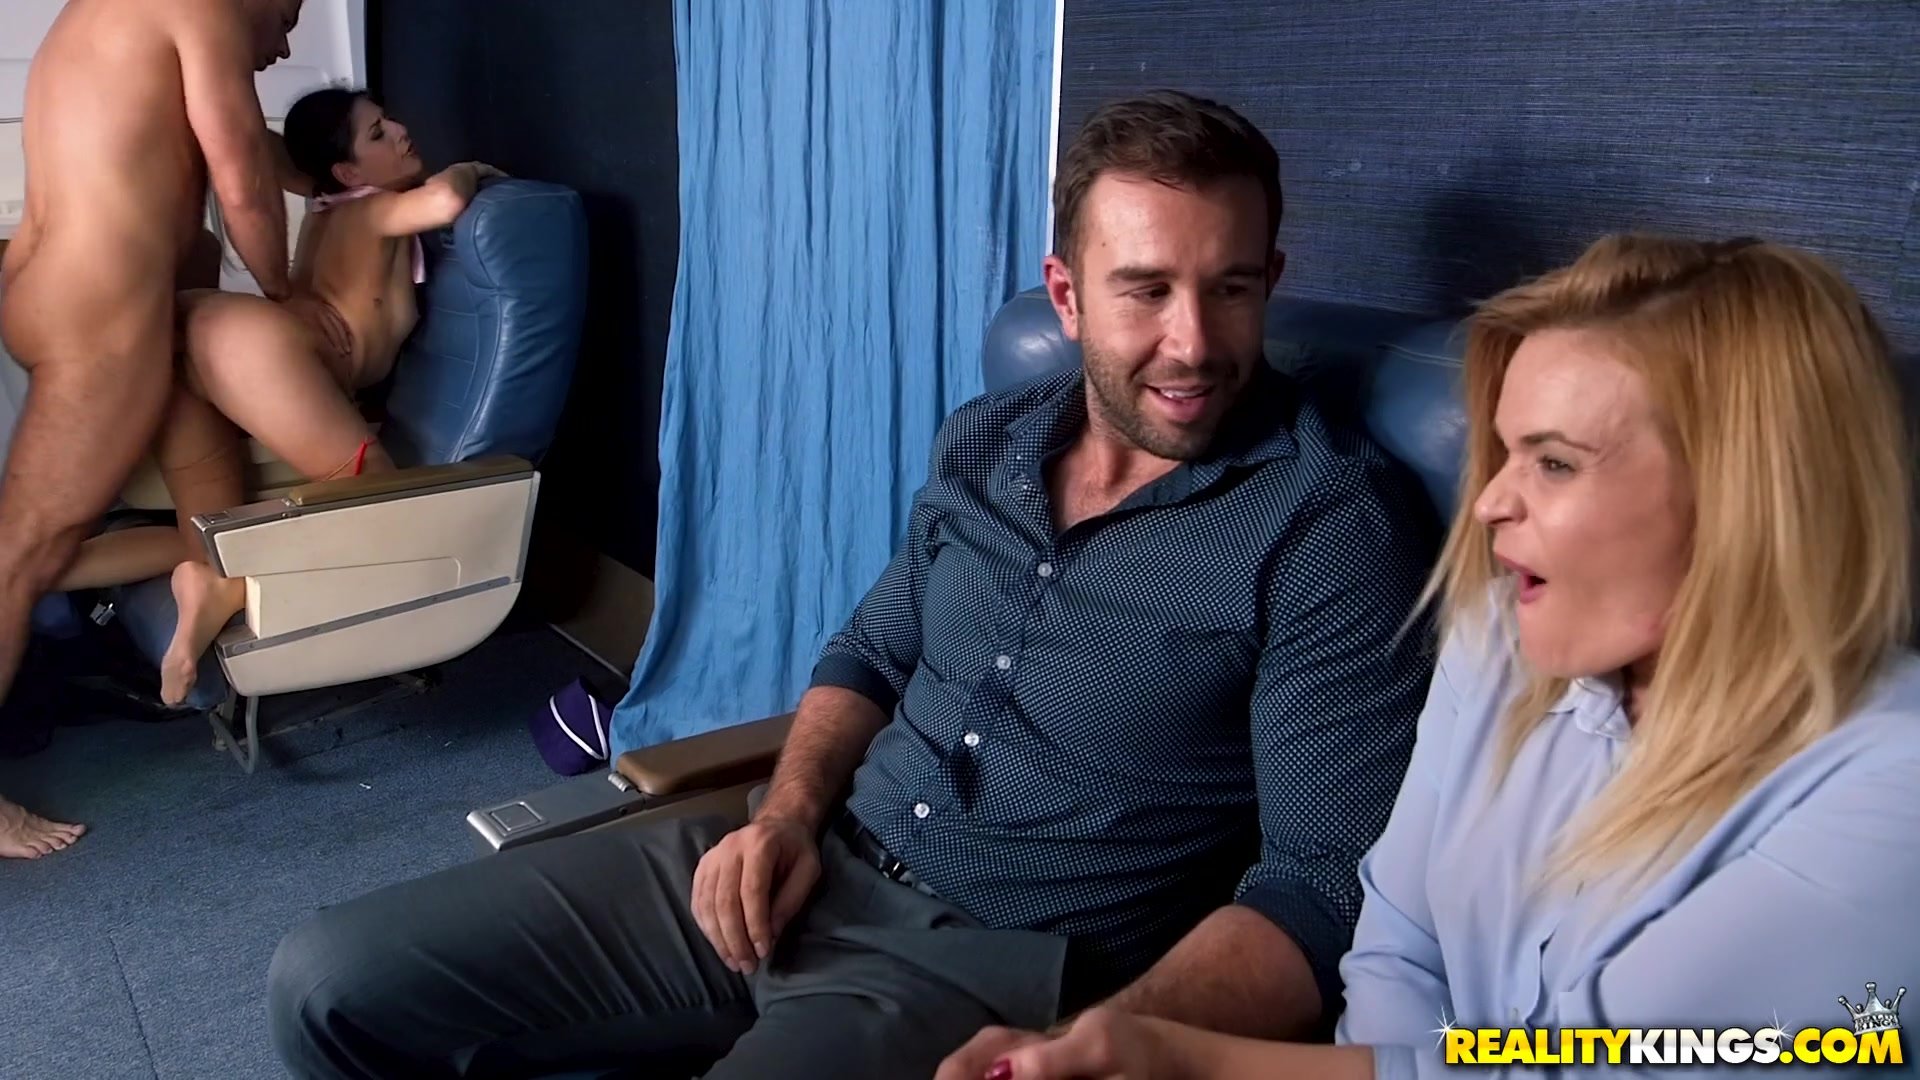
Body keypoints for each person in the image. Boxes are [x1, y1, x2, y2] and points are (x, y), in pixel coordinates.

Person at [263, 90, 1439, 1078]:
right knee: (327, 980)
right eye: (1145, 290)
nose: (1192, 344)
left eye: (1231, 289)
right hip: (799, 856)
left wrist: (1120, 1039)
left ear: (1271, 278)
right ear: (1067, 295)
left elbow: (1319, 887)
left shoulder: (1327, 528)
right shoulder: (990, 440)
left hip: (989, 967)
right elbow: (870, 652)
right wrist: (782, 816)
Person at [934, 233, 1920, 1080]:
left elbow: (1586, 1063)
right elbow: (1396, 947)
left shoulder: (1892, 785)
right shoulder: (1498, 635)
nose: (1488, 503)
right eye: (1503, 454)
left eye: (1555, 462)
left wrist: (1184, 1056)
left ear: (1747, 498)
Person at [48, 86, 505, 707]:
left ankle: (40, 567)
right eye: (378, 133)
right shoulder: (371, 209)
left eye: (389, 121)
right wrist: (472, 167)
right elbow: (447, 200)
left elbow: (268, 153)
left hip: (208, 338)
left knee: (208, 536)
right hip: (248, 345)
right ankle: (224, 590)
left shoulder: (325, 207)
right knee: (381, 500)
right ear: (348, 172)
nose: (400, 131)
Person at [0, 0, 304, 859]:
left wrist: (334, 178)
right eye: (287, 16)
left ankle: (204, 618)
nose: (284, 44)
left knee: (208, 531)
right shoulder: (206, 8)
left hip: (56, 289)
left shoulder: (112, 12)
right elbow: (242, 180)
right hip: (99, 315)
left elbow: (243, 151)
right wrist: (287, 300)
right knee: (17, 557)